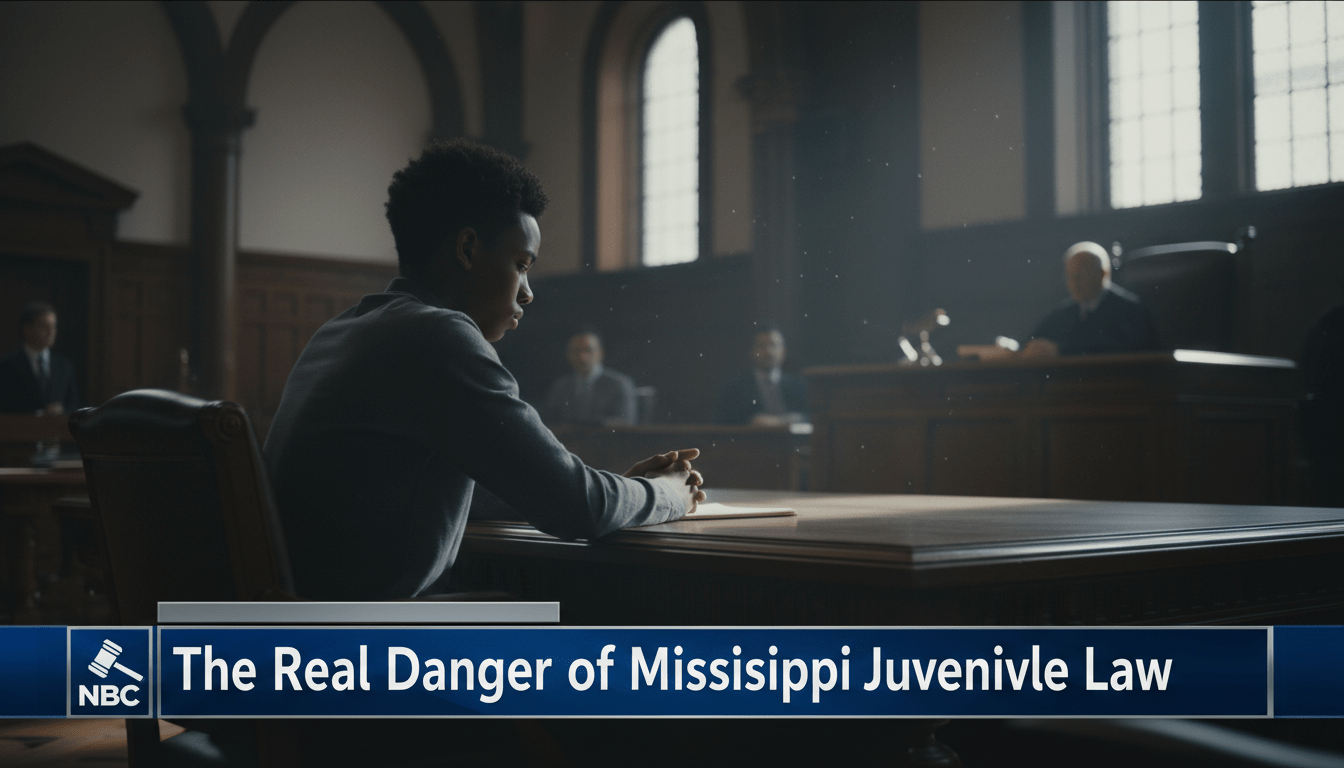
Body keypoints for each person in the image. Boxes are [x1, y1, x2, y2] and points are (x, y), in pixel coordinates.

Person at [264, 140, 704, 602]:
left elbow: (486, 493)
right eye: (521, 265)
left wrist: (625, 492)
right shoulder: (439, 336)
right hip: (369, 641)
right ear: (469, 248)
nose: (528, 293)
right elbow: (576, 508)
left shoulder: (341, 330)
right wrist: (670, 494)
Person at [1024, 241, 1161, 357]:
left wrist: (1060, 350)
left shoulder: (1130, 309)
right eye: (1070, 277)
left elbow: (1120, 348)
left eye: (1079, 276)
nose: (1073, 283)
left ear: (1102, 274)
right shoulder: (1063, 312)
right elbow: (1032, 339)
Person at [714, 325, 808, 425]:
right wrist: (751, 421)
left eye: (774, 345)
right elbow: (722, 424)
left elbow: (814, 417)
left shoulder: (801, 386)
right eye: (762, 346)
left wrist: (792, 419)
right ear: (752, 351)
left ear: (783, 350)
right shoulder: (735, 389)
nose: (768, 351)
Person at [541, 329, 638, 425]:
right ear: (568, 355)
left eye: (588, 350)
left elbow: (626, 423)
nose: (582, 356)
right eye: (576, 351)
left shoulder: (620, 384)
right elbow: (549, 421)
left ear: (600, 353)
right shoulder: (560, 385)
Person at [0, 302, 80, 415]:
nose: (51, 332)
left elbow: (74, 405)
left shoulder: (64, 365)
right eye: (44, 326)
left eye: (53, 326)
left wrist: (62, 410)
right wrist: (40, 414)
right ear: (27, 329)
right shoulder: (6, 365)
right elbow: (5, 408)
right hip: (20, 430)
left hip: (57, 430)